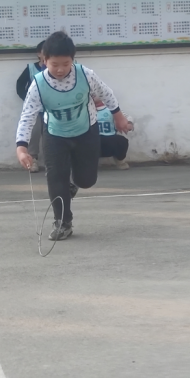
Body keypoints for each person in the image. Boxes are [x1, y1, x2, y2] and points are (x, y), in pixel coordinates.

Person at [15, 31, 129, 241]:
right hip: (55, 135)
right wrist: (21, 147)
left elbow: (106, 93)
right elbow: (28, 115)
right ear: (44, 60)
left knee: (86, 180)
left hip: (86, 131)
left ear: (73, 61)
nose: (60, 69)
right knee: (55, 178)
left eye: (66, 64)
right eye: (54, 64)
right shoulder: (38, 84)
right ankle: (63, 222)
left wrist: (119, 117)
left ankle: (73, 184)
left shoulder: (85, 75)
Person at [15, 40, 47, 172]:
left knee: (50, 136)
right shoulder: (31, 68)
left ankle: (51, 162)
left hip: (52, 110)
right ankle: (33, 160)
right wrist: (28, 99)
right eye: (44, 52)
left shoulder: (58, 69)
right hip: (35, 110)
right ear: (39, 54)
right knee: (33, 135)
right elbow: (19, 85)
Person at [95, 100, 134, 169]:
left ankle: (120, 161)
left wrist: (129, 123)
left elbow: (127, 117)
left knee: (122, 141)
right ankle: (90, 163)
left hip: (110, 139)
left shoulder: (111, 109)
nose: (93, 96)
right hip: (93, 140)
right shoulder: (85, 109)